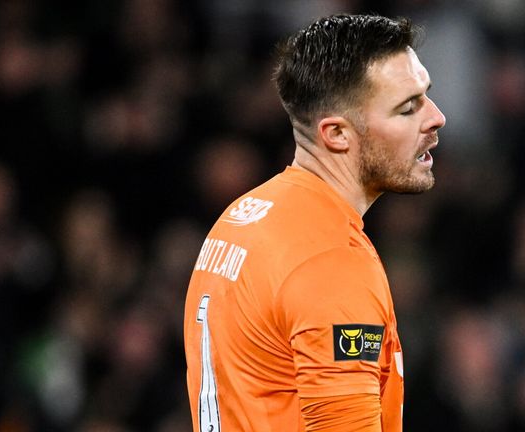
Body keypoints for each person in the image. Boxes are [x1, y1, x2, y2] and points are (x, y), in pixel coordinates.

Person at [183, 13, 446, 432]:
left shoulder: (241, 217)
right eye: (407, 108)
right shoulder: (331, 262)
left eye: (425, 96)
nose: (435, 118)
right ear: (337, 134)